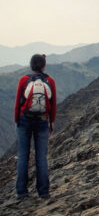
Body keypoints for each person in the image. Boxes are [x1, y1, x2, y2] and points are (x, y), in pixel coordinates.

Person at [14, 54, 56, 200]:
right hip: (43, 120)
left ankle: (22, 192)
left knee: (23, 157)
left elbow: (18, 102)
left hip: (24, 120)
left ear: (31, 66)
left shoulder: (24, 80)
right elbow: (53, 104)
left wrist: (17, 120)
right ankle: (43, 192)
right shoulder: (49, 81)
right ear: (44, 66)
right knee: (41, 158)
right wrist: (51, 123)